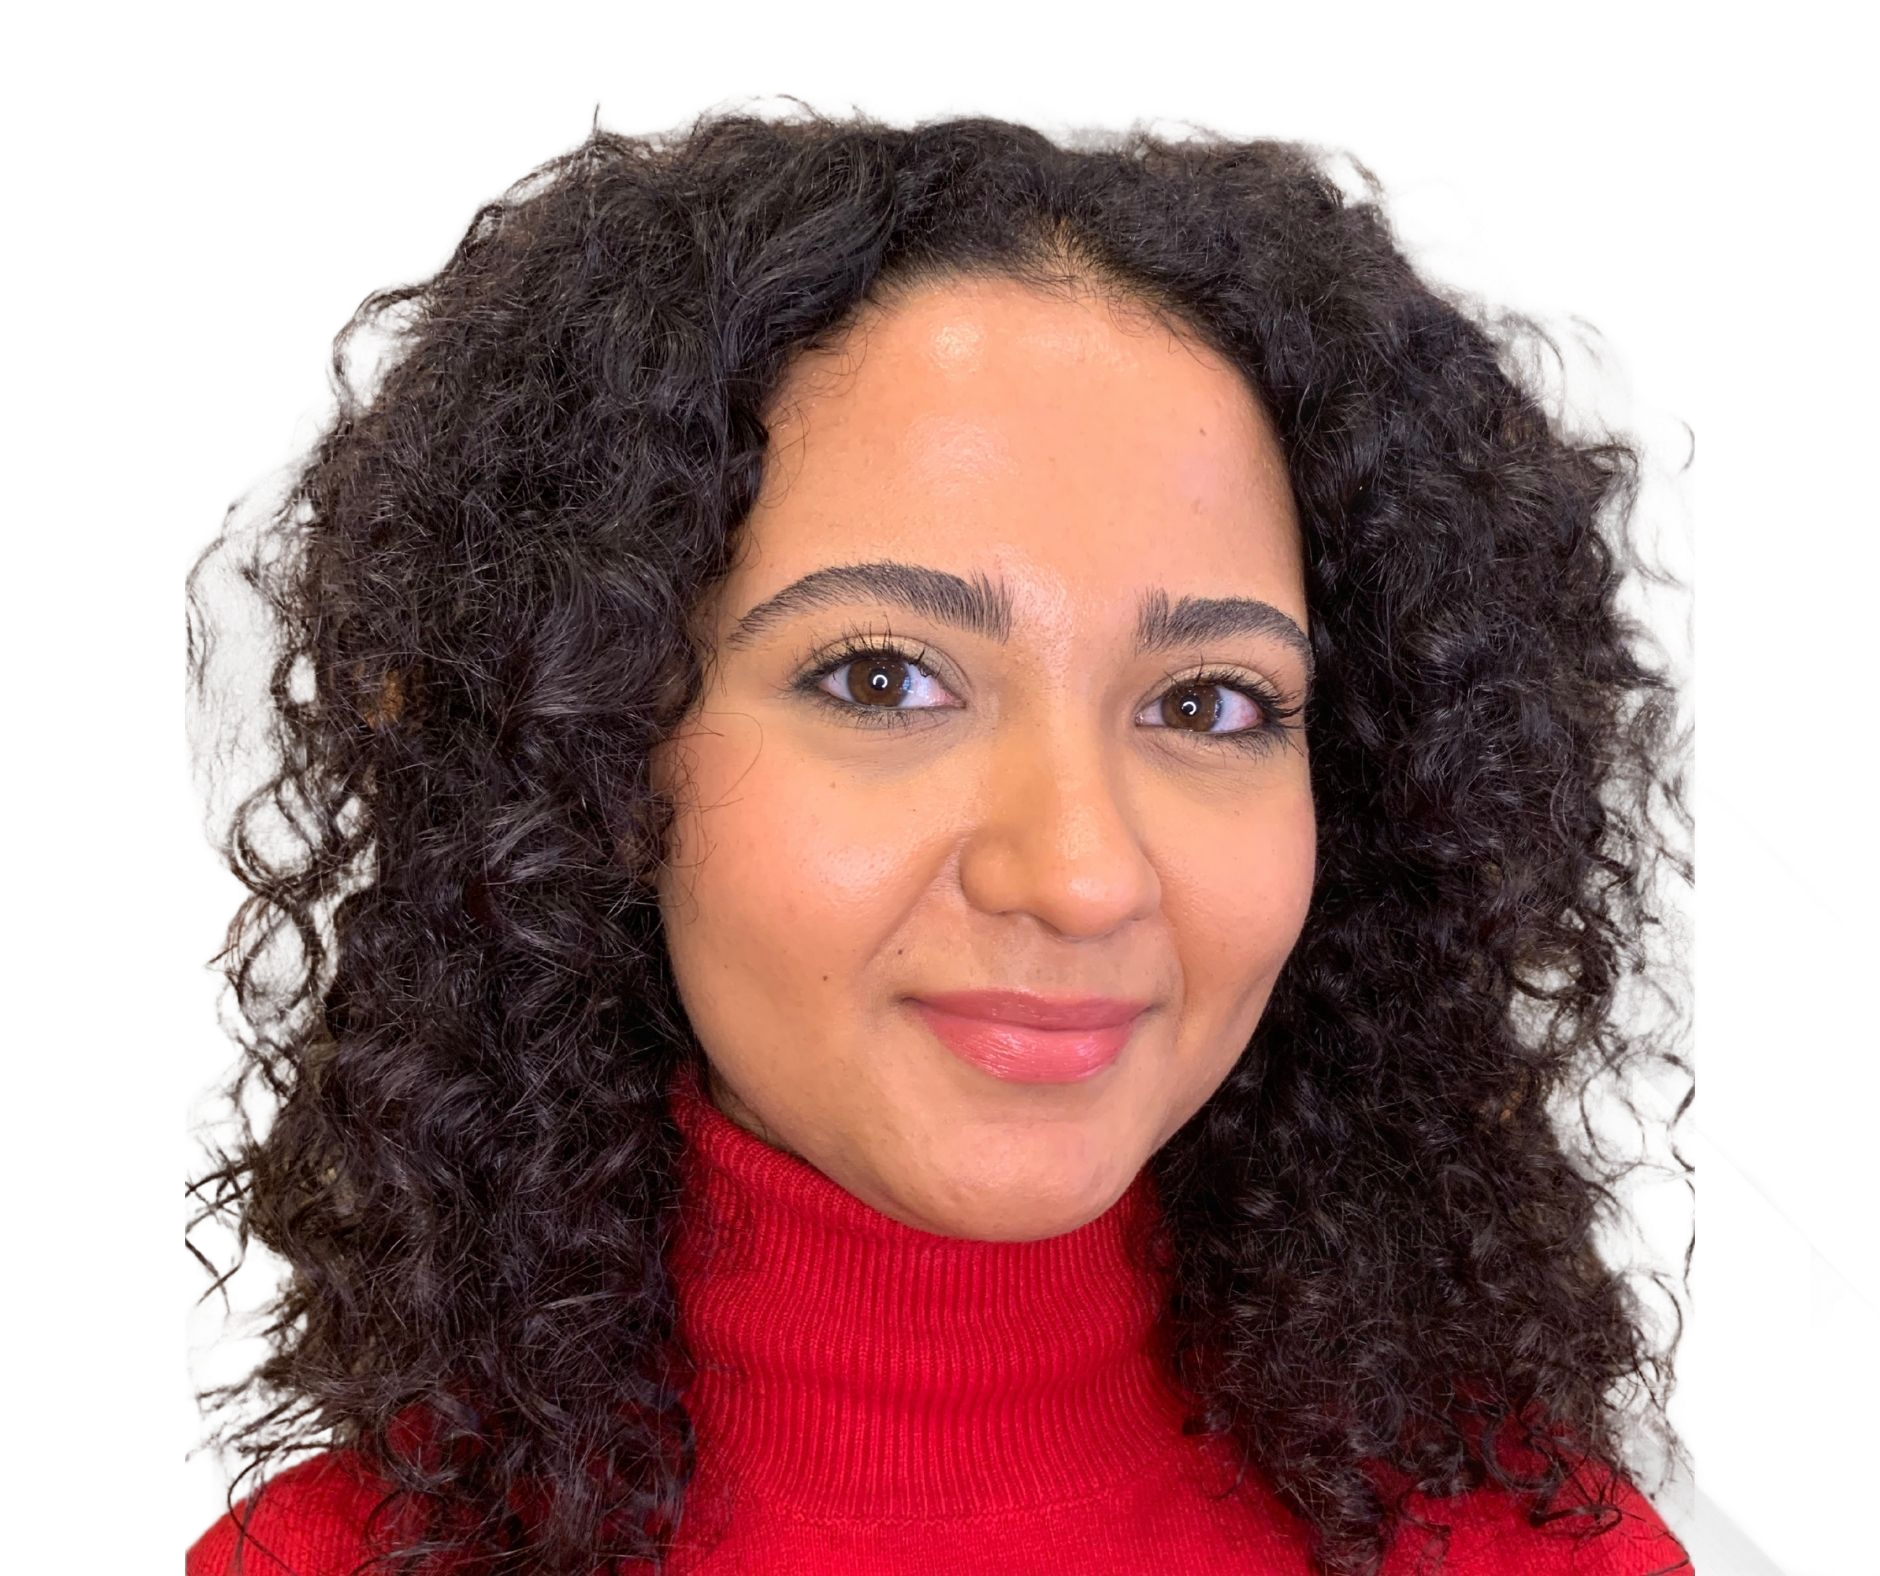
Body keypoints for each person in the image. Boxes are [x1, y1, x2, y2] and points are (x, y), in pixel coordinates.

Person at [181, 94, 1696, 1575]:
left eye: (1210, 703)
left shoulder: (1536, 1558)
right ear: (592, 753)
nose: (1082, 875)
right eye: (883, 681)